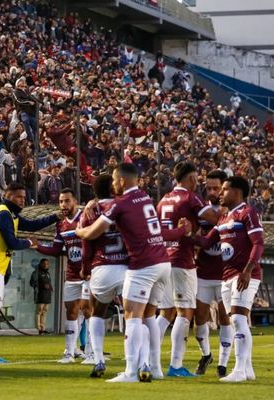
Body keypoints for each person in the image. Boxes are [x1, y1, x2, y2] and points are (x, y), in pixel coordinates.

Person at [76, 163, 191, 383]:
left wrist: (79, 230)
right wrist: (181, 231)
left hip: (140, 266)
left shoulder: (120, 204)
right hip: (163, 264)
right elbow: (158, 231)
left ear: (121, 181)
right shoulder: (146, 198)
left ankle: (130, 371)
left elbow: (91, 233)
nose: (113, 183)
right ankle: (154, 367)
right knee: (149, 316)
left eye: (114, 179)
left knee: (132, 318)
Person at [0, 182, 59, 364]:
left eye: (24, 197)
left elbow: (32, 225)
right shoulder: (4, 213)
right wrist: (30, 243)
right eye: (19, 197)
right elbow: (12, 242)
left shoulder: (11, 214)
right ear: (8, 195)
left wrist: (55, 217)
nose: (23, 200)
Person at [198, 176, 265, 383]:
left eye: (224, 189)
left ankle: (238, 370)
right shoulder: (223, 218)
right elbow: (207, 243)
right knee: (239, 321)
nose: (220, 193)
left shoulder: (248, 213)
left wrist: (247, 270)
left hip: (245, 275)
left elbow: (258, 243)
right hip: (226, 276)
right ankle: (248, 369)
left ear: (236, 192)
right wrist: (185, 233)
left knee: (236, 319)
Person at [155, 162, 219, 378]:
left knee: (165, 313)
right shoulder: (190, 198)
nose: (198, 182)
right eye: (196, 179)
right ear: (191, 178)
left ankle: (149, 359)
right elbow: (214, 218)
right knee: (185, 312)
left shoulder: (163, 200)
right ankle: (175, 365)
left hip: (163, 259)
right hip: (182, 260)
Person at [80, 174, 128, 379]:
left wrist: (85, 267)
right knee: (135, 315)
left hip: (101, 267)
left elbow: (86, 244)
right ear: (113, 188)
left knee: (96, 312)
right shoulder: (124, 206)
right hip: (126, 268)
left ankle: (98, 358)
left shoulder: (90, 210)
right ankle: (138, 362)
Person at [37, 188, 93, 361]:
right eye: (61, 201)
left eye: (67, 200)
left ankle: (92, 353)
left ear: (75, 201)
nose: (63, 204)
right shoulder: (60, 224)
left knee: (88, 311)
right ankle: (69, 352)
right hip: (71, 275)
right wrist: (37, 246)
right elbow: (56, 249)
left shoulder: (86, 218)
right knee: (71, 312)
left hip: (89, 275)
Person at [194, 170, 233, 377]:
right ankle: (206, 355)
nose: (212, 191)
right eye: (208, 188)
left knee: (225, 318)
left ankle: (222, 364)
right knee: (199, 318)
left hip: (225, 273)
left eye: (216, 188)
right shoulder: (200, 210)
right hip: (203, 272)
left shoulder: (235, 211)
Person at [30, 258, 53, 334]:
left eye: (47, 264)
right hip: (40, 294)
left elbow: (49, 283)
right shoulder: (36, 273)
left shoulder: (48, 273)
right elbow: (32, 283)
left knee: (45, 312)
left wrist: (51, 288)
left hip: (48, 295)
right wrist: (41, 285)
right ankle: (38, 328)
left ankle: (43, 328)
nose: (46, 265)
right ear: (40, 264)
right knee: (39, 311)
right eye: (44, 264)